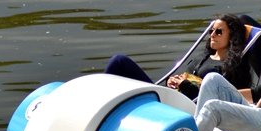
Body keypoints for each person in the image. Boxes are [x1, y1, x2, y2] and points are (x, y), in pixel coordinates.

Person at [104, 14, 251, 99]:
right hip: (171, 96)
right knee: (118, 63)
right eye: (211, 31)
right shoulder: (204, 58)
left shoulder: (232, 68)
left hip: (181, 107)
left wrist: (184, 85)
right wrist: (172, 81)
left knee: (119, 62)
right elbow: (183, 77)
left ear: (232, 36)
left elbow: (216, 98)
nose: (212, 35)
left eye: (218, 32)